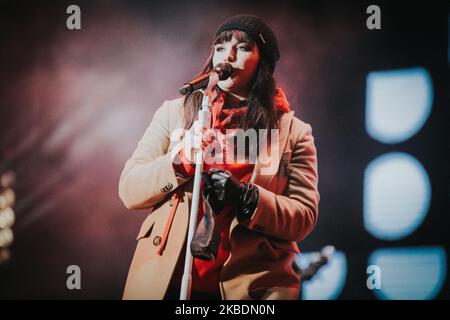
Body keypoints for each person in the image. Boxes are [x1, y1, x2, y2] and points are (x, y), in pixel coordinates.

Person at [118, 14, 320, 300]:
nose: (229, 56)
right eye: (221, 47)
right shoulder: (175, 113)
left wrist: (248, 198)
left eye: (243, 47)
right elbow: (130, 189)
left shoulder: (293, 132)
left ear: (262, 63)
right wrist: (179, 163)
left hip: (251, 289)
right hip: (169, 282)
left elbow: (304, 216)